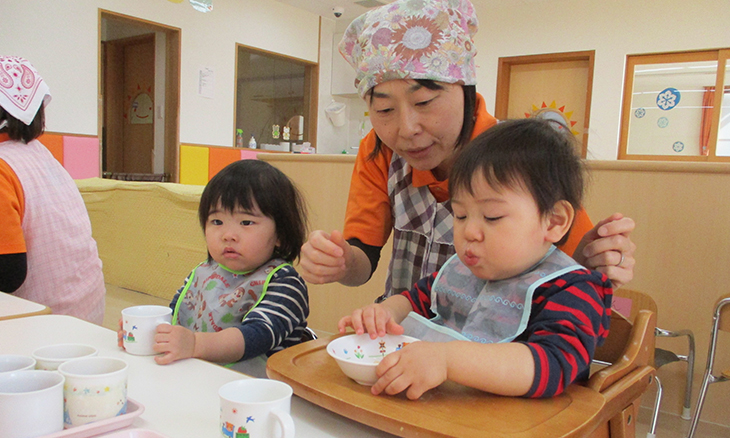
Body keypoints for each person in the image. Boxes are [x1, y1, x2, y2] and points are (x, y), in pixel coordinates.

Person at [299, 0, 635, 301]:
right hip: (402, 330)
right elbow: (364, 258)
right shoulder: (378, 150)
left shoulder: (514, 156)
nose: (406, 129)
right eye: (385, 110)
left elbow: (571, 264)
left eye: (424, 102)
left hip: (492, 348)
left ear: (466, 90)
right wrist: (341, 262)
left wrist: (596, 260)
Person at [339, 118, 613, 400]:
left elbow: (552, 365)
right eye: (459, 215)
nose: (469, 231)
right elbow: (414, 300)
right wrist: (385, 313)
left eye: (492, 217)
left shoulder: (572, 290)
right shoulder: (460, 272)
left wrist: (447, 360)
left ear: (554, 221)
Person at [119, 160, 309, 376]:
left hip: (257, 394)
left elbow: (255, 337)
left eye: (246, 222)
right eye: (217, 222)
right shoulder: (203, 273)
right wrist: (142, 334)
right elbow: (174, 318)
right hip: (199, 380)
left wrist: (195, 344)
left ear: (281, 235)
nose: (228, 235)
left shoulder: (285, 284)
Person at [0, 56, 105, 324]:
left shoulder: (2, 168)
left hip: (42, 326)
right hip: (88, 312)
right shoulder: (41, 154)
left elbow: (9, 275)